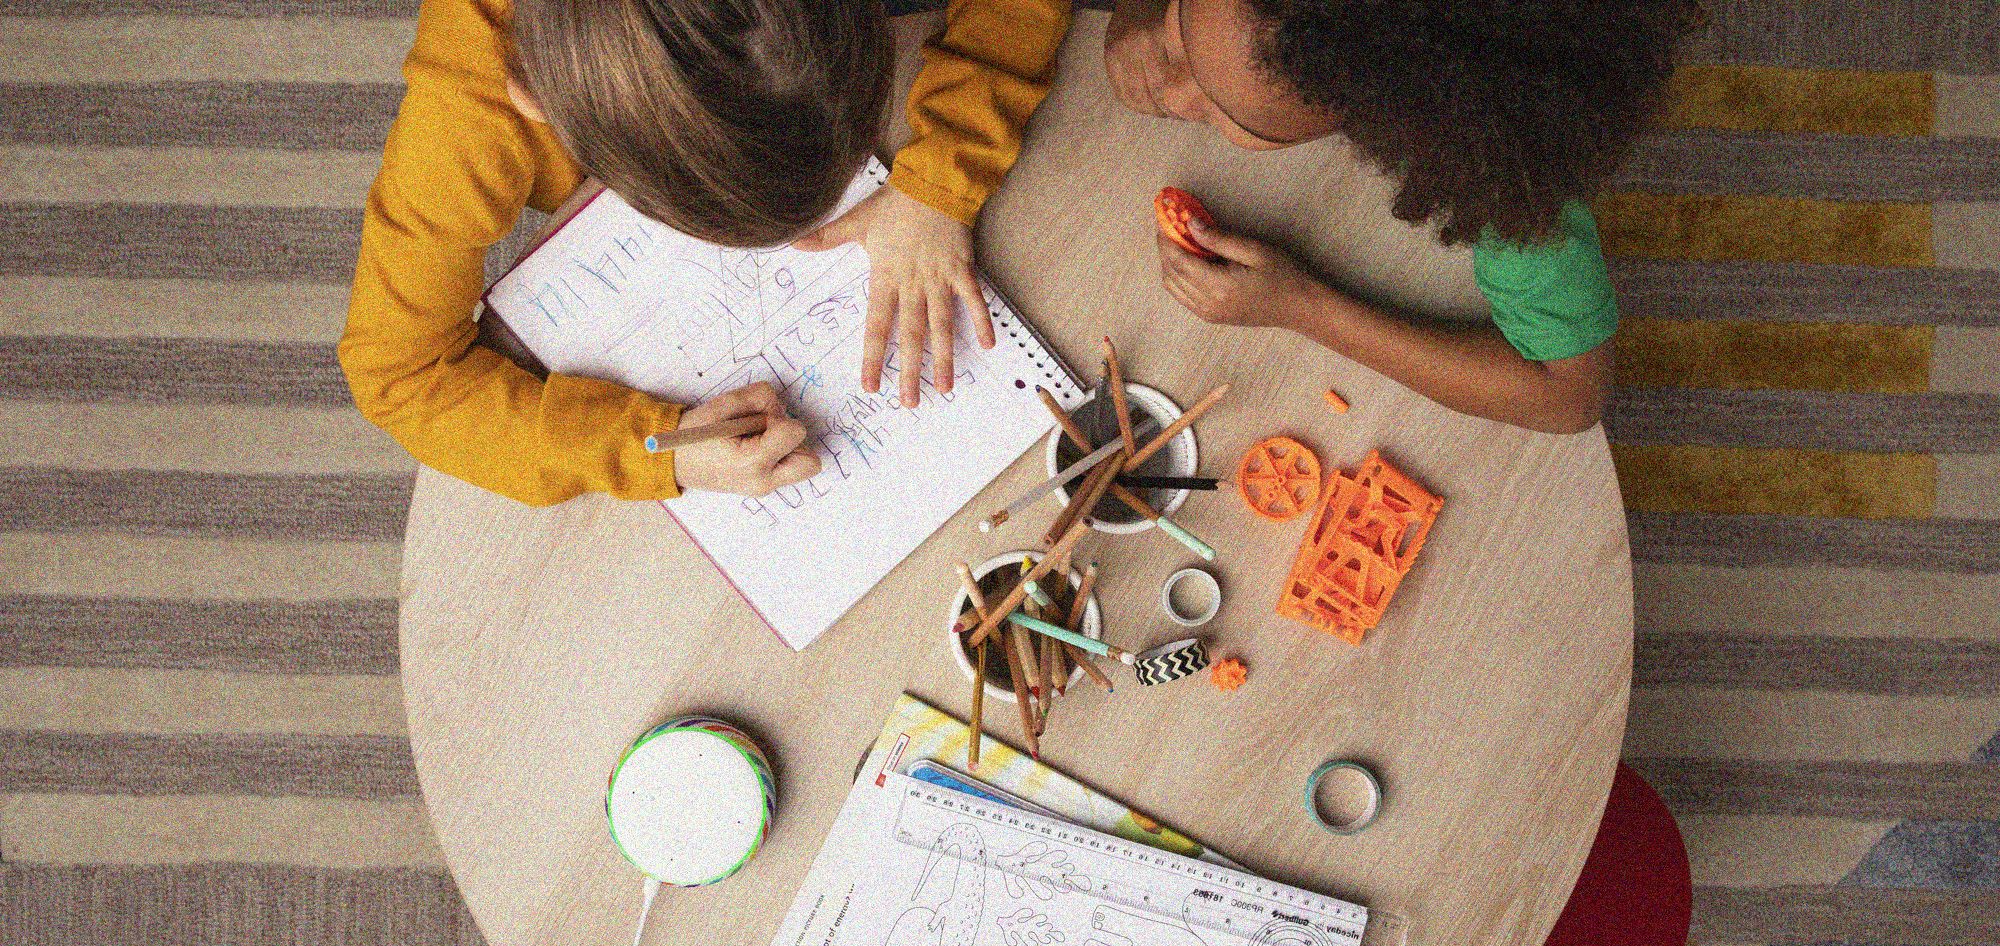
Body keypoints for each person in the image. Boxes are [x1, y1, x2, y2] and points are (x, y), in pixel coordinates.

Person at [340, 0, 1070, 504]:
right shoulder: (470, 121)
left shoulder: (509, 103)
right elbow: (399, 374)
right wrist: (651, 449)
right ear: (532, 100)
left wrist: (941, 175)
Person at [1103, 0, 1700, 433]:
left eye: (1215, 108)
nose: (1166, 90)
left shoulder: (1496, 149)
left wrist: (1300, 306)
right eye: (1181, 16)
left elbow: (1569, 395)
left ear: (1391, 115)